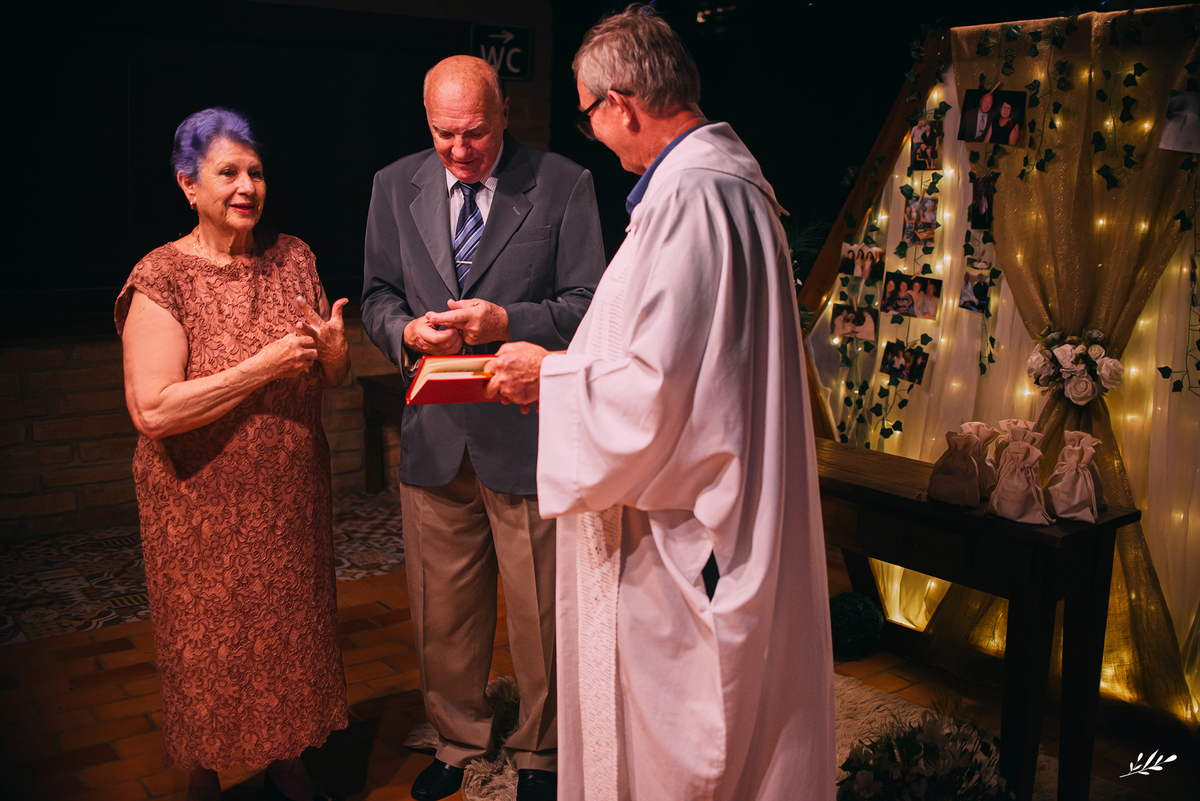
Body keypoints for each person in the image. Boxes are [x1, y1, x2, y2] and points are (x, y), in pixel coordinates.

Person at [485, 7, 835, 799]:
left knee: (679, 738)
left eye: (589, 114)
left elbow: (656, 393)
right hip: (712, 495)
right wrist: (574, 365)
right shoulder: (729, 186)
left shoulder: (692, 200)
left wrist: (551, 375)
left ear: (622, 103)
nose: (595, 135)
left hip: (676, 527)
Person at [360, 56, 605, 801]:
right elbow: (375, 294)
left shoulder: (565, 184)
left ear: (504, 115)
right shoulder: (391, 185)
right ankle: (458, 736)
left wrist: (508, 322)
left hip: (527, 434)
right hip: (434, 433)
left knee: (539, 612)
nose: (459, 150)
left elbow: (591, 304)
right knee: (442, 610)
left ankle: (542, 751)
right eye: (443, 135)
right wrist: (405, 333)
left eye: (473, 133)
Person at [116, 108, 348, 801]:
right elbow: (154, 409)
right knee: (206, 648)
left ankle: (288, 757)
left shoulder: (294, 255)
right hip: (199, 507)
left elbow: (324, 374)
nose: (248, 185)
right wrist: (265, 365)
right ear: (188, 184)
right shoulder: (161, 277)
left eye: (256, 171)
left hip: (288, 497)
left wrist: (333, 356)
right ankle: (204, 775)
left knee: (289, 635)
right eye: (229, 172)